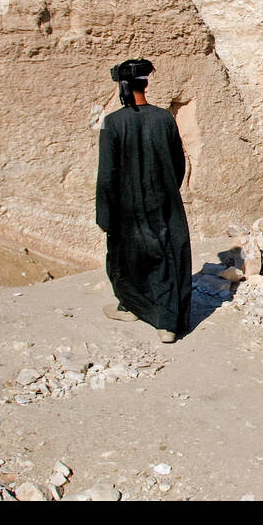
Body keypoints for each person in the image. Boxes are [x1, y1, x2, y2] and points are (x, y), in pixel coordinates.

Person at [95, 59, 192, 343]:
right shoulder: (165, 119)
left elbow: (107, 174)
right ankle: (167, 325)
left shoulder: (112, 123)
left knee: (125, 258)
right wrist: (165, 192)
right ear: (145, 84)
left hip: (126, 208)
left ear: (123, 88)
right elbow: (178, 164)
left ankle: (129, 306)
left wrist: (105, 213)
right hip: (162, 204)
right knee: (165, 258)